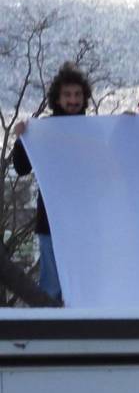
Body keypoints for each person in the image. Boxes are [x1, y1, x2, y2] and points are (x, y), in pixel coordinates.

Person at [11, 62, 92, 301]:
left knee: (85, 283)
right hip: (51, 222)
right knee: (52, 287)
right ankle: (52, 333)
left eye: (78, 94)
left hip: (87, 222)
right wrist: (22, 139)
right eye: (67, 94)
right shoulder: (43, 130)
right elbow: (21, 168)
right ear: (57, 98)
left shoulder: (95, 131)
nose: (73, 100)